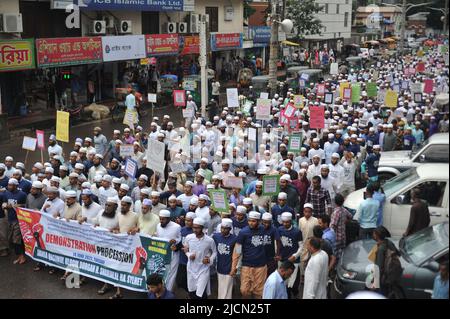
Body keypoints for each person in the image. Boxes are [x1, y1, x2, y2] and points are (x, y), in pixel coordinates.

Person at [231, 211, 267, 299]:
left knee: (258, 292)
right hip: (247, 265)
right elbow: (237, 251)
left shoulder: (263, 229)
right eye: (249, 220)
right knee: (244, 290)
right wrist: (233, 267)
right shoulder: (243, 232)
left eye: (254, 221)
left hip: (260, 266)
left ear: (259, 221)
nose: (251, 223)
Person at [184, 217, 217, 299]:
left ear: (202, 228)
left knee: (201, 293)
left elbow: (215, 252)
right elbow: (185, 249)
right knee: (192, 291)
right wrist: (189, 255)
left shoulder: (209, 240)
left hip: (203, 269)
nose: (195, 230)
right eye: (193, 227)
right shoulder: (189, 237)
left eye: (197, 228)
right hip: (191, 268)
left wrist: (209, 259)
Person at [1, 179, 27, 264]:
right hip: (9, 218)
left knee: (17, 240)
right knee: (11, 240)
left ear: (16, 186)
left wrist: (20, 205)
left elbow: (27, 206)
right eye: (9, 185)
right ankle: (19, 256)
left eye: (11, 185)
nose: (9, 186)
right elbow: (4, 202)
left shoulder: (22, 194)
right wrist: (4, 205)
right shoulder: (6, 193)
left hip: (19, 219)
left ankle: (22, 256)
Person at [277, 212, 303, 299]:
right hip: (283, 261)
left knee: (292, 285)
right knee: (284, 283)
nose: (285, 224)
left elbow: (301, 247)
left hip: (294, 262)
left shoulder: (297, 232)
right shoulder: (279, 230)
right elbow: (278, 243)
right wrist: (278, 254)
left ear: (291, 221)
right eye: (283, 222)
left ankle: (296, 295)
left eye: (287, 222)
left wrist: (295, 256)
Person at [156, 209, 181, 292]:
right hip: (162, 253)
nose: (161, 221)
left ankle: (168, 292)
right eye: (160, 218)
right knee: (162, 272)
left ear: (169, 219)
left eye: (163, 219)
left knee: (171, 273)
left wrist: (175, 241)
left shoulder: (177, 227)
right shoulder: (158, 226)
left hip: (173, 254)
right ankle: (161, 290)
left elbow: (180, 239)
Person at [330, 194, 352, 259]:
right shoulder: (344, 210)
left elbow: (333, 225)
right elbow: (351, 216)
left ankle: (336, 267)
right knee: (342, 253)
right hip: (343, 236)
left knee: (335, 255)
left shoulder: (336, 212)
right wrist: (346, 221)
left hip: (337, 238)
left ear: (335, 202)